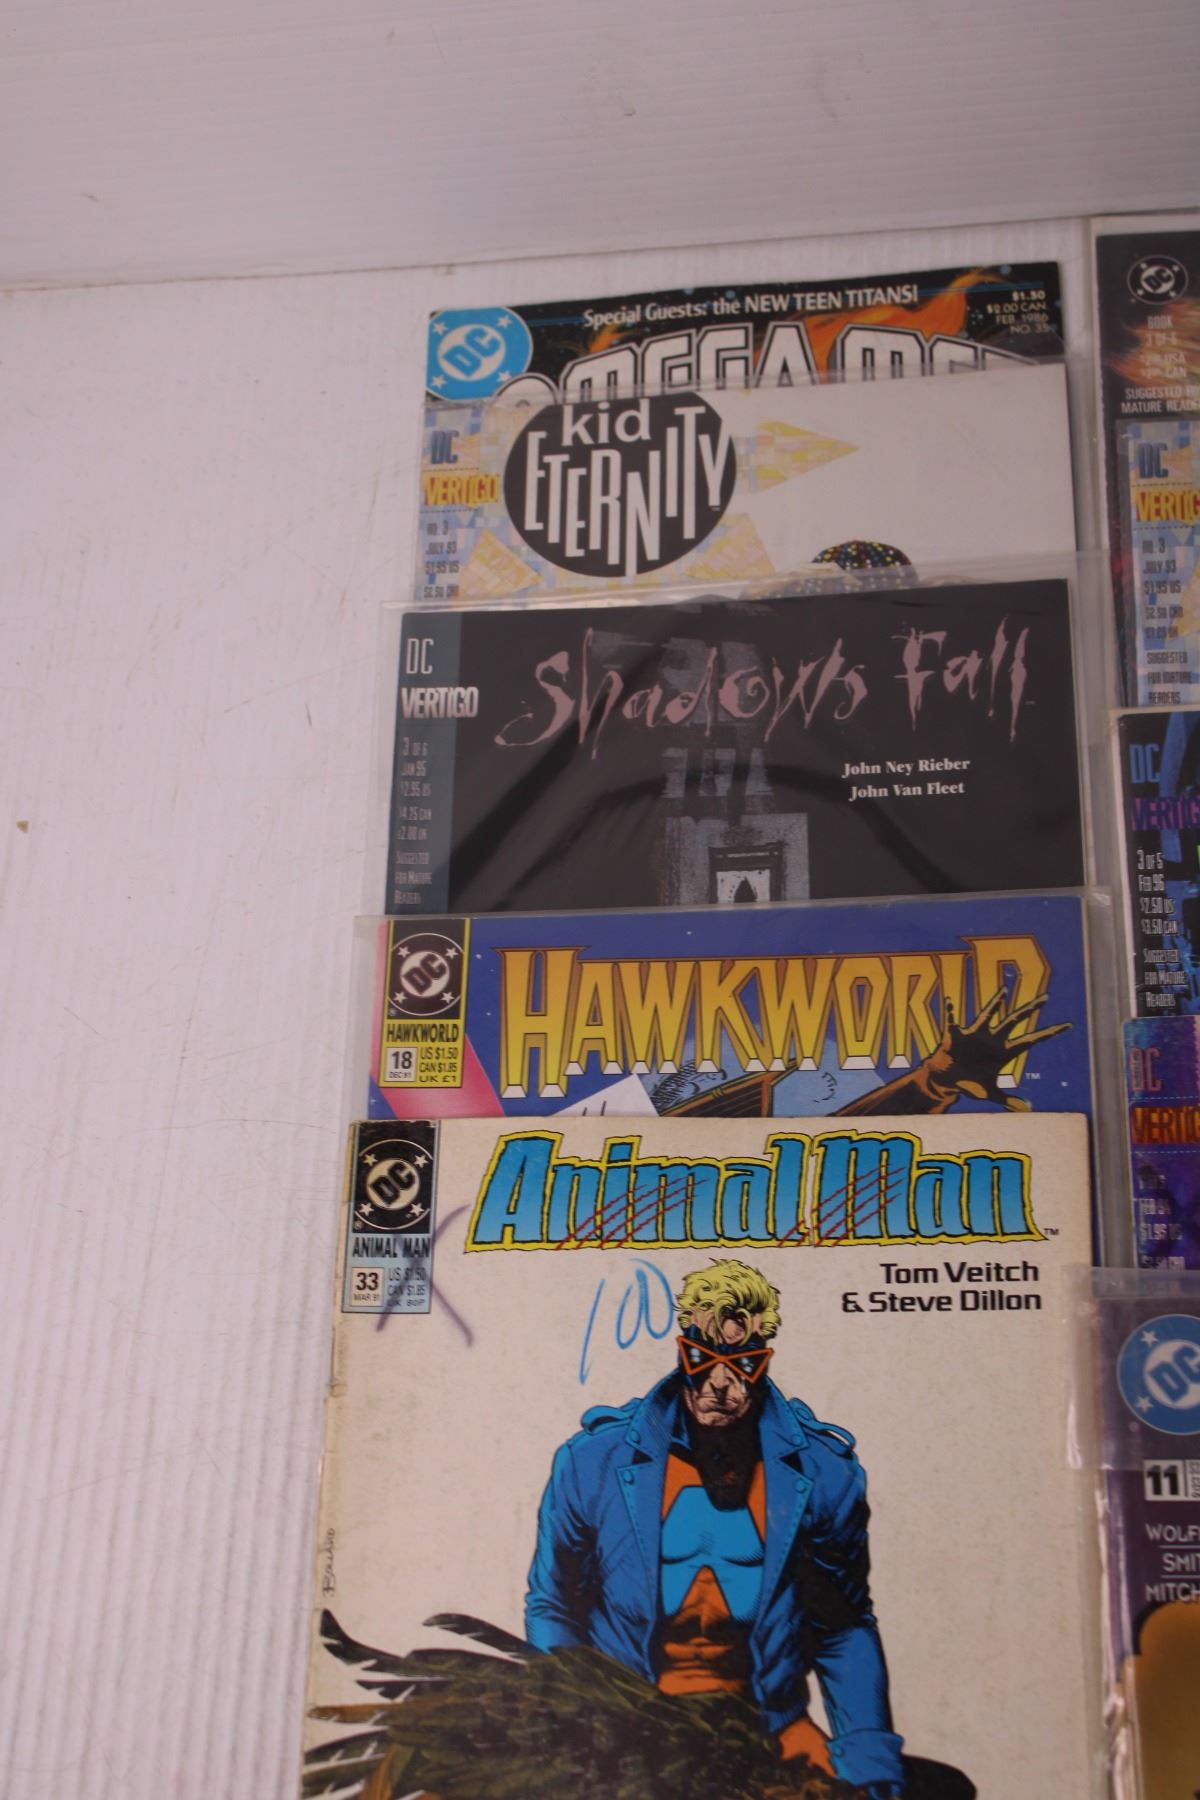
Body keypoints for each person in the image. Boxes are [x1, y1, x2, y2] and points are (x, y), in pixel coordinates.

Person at [525, 1259, 908, 1797]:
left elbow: (842, 1629)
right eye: (703, 1359)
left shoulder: (824, 1474)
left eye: (743, 1363)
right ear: (682, 1348)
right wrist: (577, 1726)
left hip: (767, 1730)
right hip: (630, 1728)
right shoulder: (594, 1462)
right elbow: (555, 1606)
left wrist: (868, 1760)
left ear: (764, 1358)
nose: (722, 1384)